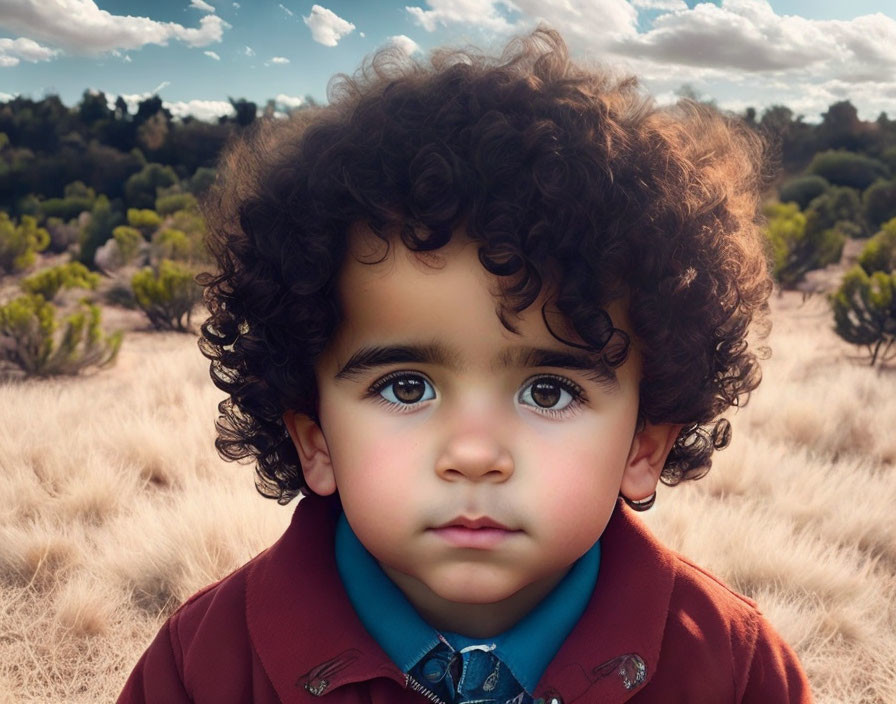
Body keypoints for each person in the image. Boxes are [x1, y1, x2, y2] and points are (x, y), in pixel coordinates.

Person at [118, 27, 812, 703]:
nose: (474, 454)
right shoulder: (202, 671)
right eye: (407, 385)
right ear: (315, 441)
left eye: (548, 390)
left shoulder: (735, 673)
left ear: (644, 446)